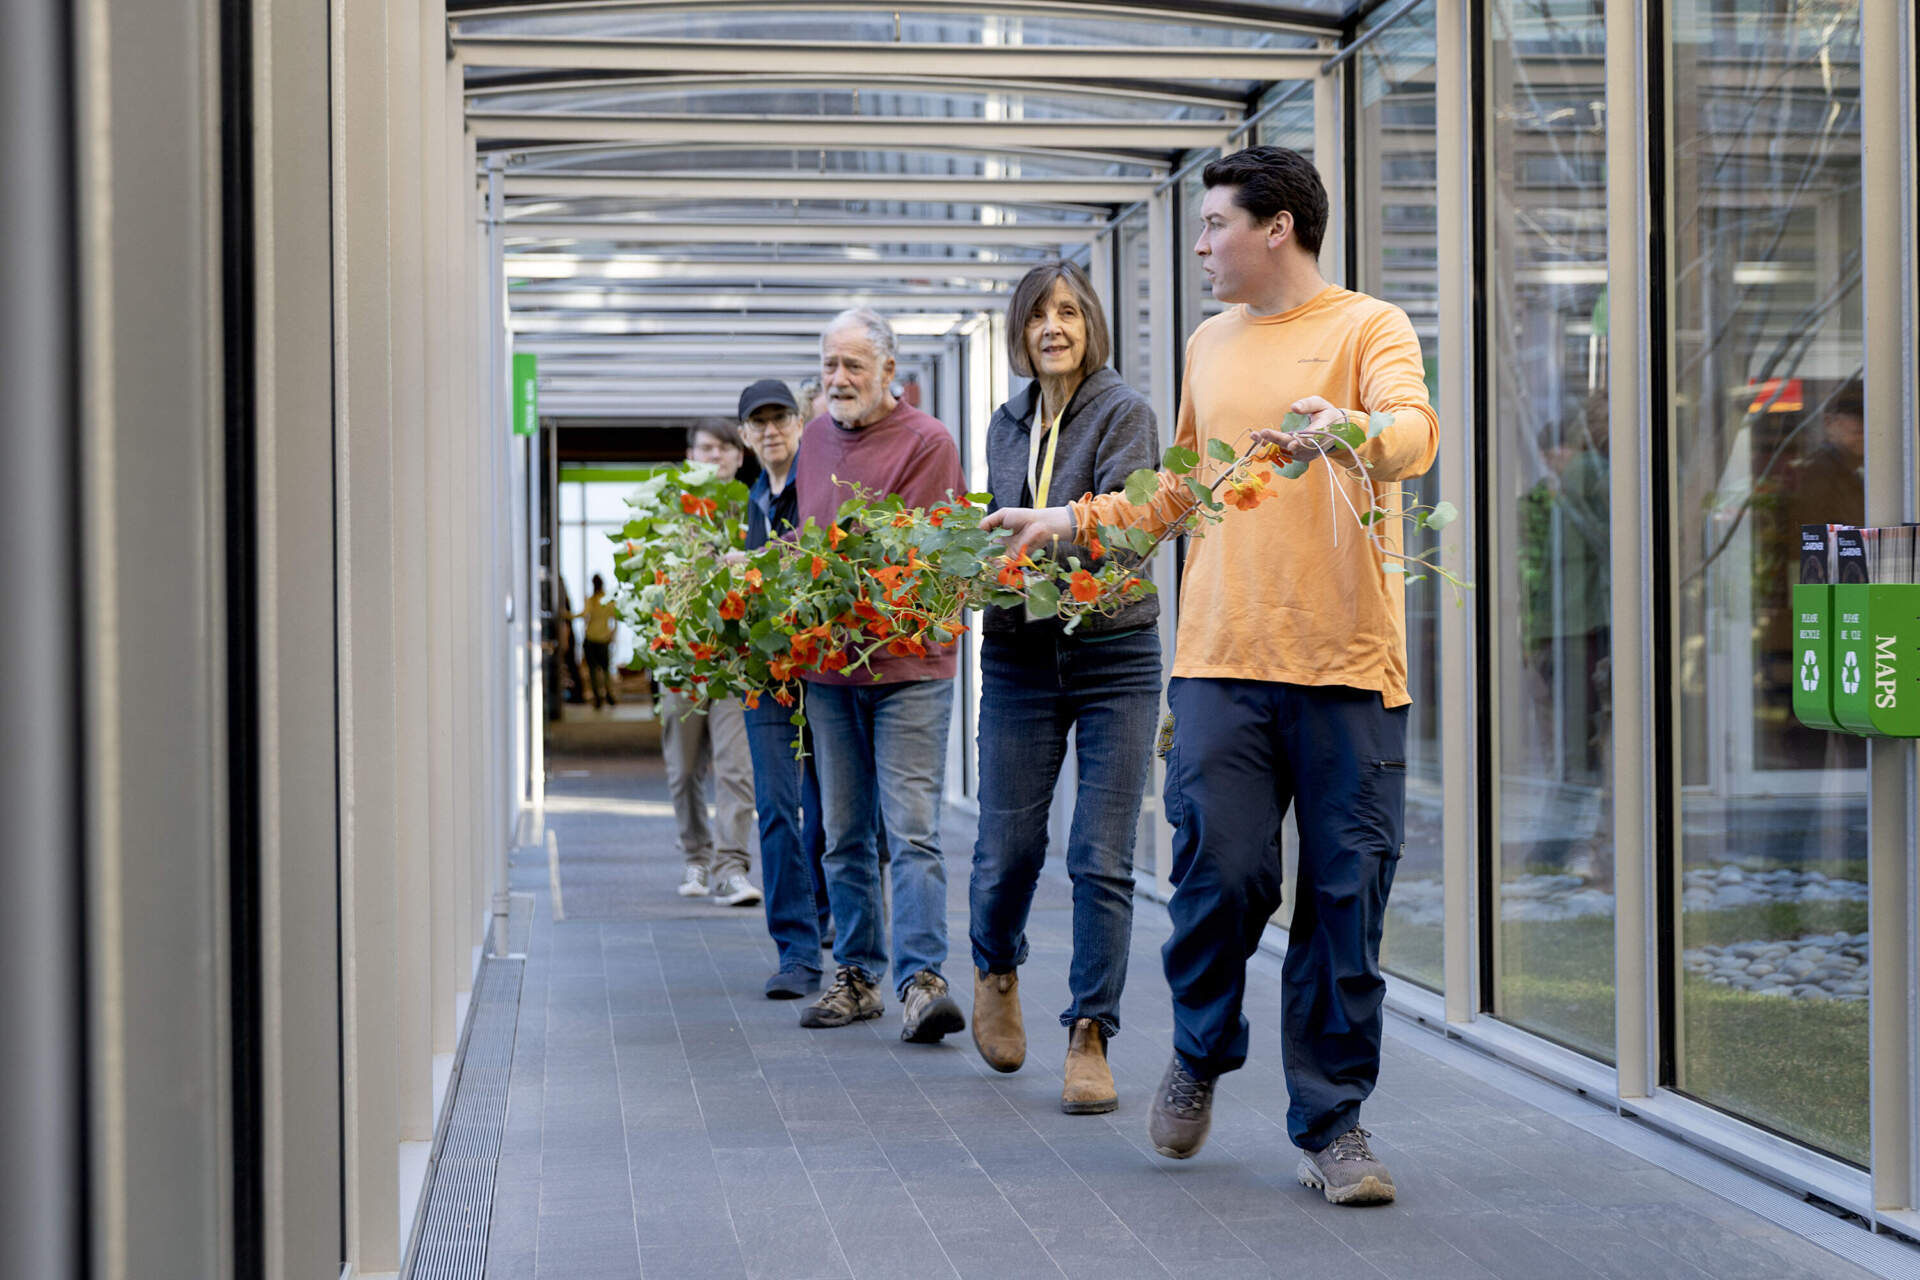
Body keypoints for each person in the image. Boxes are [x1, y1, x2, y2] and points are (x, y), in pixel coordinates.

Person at [985, 146, 1438, 1205]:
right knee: (1216, 882)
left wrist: (1353, 428)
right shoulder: (1210, 344)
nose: (1201, 245)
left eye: (1216, 223)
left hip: (1350, 671)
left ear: (1276, 226)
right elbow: (1174, 491)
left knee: (1344, 903)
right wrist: (1069, 518)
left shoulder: (1370, 328)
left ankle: (1334, 1126)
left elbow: (1412, 434)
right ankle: (1199, 1049)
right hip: (1221, 665)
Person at [968, 260, 1161, 1114]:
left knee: (1102, 855)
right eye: (1040, 315)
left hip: (1114, 652)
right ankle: (996, 964)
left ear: (1092, 326)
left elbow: (1128, 534)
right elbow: (995, 537)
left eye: (1071, 312)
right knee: (1008, 845)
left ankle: (1090, 1032)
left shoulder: (1125, 412)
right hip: (1016, 653)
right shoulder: (1004, 426)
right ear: (1020, 331)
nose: (1056, 327)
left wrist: (1034, 544)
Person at [794, 308, 968, 1044]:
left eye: (853, 366)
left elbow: (925, 557)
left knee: (913, 830)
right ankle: (857, 976)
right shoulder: (810, 439)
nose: (838, 380)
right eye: (830, 365)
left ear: (889, 371)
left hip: (908, 667)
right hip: (829, 670)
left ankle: (921, 981)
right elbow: (806, 545)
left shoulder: (928, 442)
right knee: (842, 833)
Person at [736, 378, 836, 998]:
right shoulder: (751, 498)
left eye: (781, 419)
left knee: (831, 812)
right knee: (776, 808)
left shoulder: (822, 482)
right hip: (767, 676)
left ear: (800, 424)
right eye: (759, 423)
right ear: (745, 435)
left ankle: (832, 926)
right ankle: (796, 954)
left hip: (827, 669)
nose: (771, 430)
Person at [662, 419, 762, 908]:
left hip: (734, 657)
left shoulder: (756, 507)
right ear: (690, 455)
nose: (715, 456)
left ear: (739, 456)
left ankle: (731, 867)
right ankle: (696, 855)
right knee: (683, 770)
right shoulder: (670, 512)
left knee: (735, 768)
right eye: (706, 448)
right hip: (682, 659)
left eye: (725, 448)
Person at [580, 574, 620, 709]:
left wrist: (566, 615)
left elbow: (584, 615)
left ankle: (598, 697)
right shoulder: (608, 600)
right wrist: (613, 634)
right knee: (606, 669)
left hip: (591, 638)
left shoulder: (591, 600)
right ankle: (609, 694)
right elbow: (615, 618)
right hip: (604, 638)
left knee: (593, 670)